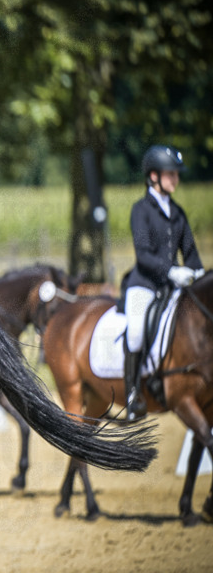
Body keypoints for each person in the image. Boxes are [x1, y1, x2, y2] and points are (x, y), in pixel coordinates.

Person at [122, 145, 204, 421]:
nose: (175, 179)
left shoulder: (178, 213)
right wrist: (171, 271)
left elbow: (190, 254)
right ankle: (133, 394)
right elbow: (143, 255)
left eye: (176, 174)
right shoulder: (140, 210)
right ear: (153, 176)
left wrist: (196, 274)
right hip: (144, 284)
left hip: (174, 287)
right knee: (134, 332)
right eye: (170, 174)